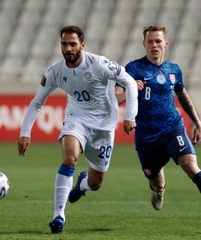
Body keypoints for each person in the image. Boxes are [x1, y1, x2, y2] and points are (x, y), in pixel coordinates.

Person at [18, 25, 138, 233]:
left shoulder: (99, 64)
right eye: (64, 44)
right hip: (77, 120)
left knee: (96, 182)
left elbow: (129, 82)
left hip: (104, 127)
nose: (68, 49)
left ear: (82, 45)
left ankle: (83, 185)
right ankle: (58, 216)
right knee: (70, 157)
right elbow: (37, 102)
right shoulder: (56, 71)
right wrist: (25, 132)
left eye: (73, 44)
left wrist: (130, 116)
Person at [115, 25, 201, 232]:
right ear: (144, 44)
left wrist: (196, 120)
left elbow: (182, 94)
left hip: (173, 128)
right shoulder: (133, 69)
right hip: (147, 137)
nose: (154, 45)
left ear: (165, 43)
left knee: (190, 165)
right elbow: (114, 98)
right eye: (150, 41)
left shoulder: (174, 70)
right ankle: (158, 190)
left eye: (158, 41)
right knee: (157, 182)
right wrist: (130, 90)